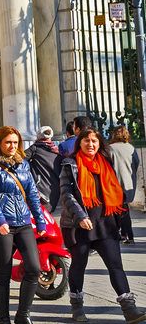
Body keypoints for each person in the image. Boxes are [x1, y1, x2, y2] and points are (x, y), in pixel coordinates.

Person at [60, 128, 146, 323]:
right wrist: (81, 216)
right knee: (79, 266)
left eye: (94, 141)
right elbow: (66, 194)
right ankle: (77, 307)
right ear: (79, 143)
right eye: (87, 141)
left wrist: (123, 224)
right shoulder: (70, 163)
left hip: (105, 222)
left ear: (99, 143)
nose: (90, 144)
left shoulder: (106, 162)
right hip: (78, 224)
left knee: (116, 265)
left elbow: (117, 192)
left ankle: (129, 309)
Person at [0, 126, 46, 324]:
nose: (12, 146)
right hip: (3, 226)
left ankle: (23, 314)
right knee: (4, 271)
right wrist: (0, 221)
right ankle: (4, 318)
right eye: (8, 142)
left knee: (34, 268)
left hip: (24, 223)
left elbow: (33, 194)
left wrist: (40, 219)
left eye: (15, 143)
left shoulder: (23, 165)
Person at [108, 125, 139, 245]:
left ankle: (121, 234)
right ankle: (128, 235)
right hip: (128, 183)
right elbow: (135, 164)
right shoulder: (131, 148)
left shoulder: (110, 148)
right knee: (125, 209)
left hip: (114, 184)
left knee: (117, 210)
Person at [28, 125, 62, 212]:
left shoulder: (34, 149)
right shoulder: (58, 150)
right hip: (55, 189)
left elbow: (20, 160)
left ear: (38, 136)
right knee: (48, 214)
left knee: (40, 215)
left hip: (39, 189)